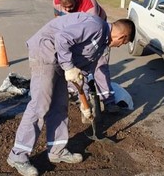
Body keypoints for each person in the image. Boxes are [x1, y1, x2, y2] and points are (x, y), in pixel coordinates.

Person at [7, 12, 135, 176]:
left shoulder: (102, 45)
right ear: (122, 37)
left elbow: (84, 71)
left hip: (59, 61)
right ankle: (18, 156)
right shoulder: (95, 26)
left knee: (60, 105)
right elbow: (62, 37)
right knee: (40, 105)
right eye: (123, 44)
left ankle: (57, 151)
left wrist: (84, 101)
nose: (119, 47)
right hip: (45, 52)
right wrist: (68, 67)